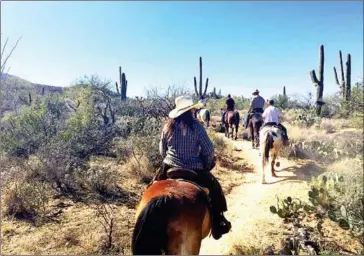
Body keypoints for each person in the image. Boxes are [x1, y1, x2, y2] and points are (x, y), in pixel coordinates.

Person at [156, 95, 231, 240]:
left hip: (170, 166)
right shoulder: (197, 127)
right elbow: (208, 149)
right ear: (191, 110)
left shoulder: (167, 126)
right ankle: (218, 221)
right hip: (195, 169)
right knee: (215, 190)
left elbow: (162, 150)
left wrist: (169, 159)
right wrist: (207, 164)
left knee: (151, 186)